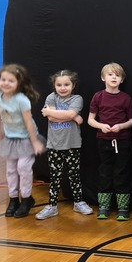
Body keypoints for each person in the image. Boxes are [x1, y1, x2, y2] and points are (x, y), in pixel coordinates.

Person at [0, 63, 45, 219]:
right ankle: (13, 199)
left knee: (23, 167)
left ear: (19, 83)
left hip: (26, 138)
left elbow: (28, 122)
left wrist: (34, 142)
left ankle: (26, 199)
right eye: (3, 80)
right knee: (11, 169)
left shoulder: (21, 100)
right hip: (10, 138)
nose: (6, 83)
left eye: (11, 81)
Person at [37, 69, 92, 219]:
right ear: (54, 86)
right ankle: (52, 206)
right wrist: (73, 117)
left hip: (72, 144)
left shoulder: (77, 99)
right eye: (59, 85)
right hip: (54, 145)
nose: (62, 88)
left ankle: (78, 203)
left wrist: (58, 114)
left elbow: (65, 114)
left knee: (74, 175)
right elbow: (52, 119)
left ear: (73, 85)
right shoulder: (51, 97)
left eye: (66, 84)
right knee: (55, 177)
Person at [87, 62, 132, 220]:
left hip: (122, 141)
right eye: (110, 74)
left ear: (122, 79)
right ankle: (104, 206)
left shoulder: (125, 98)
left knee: (121, 173)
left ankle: (122, 207)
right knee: (105, 173)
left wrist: (121, 126)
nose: (114, 77)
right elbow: (90, 120)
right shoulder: (98, 96)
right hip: (104, 141)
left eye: (117, 75)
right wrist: (101, 126)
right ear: (103, 77)